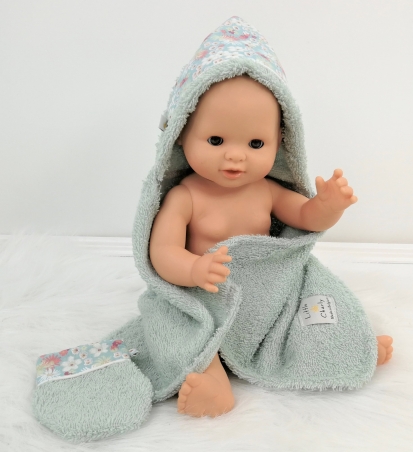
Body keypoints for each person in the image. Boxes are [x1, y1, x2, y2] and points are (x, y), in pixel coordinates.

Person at [149, 75, 393, 418]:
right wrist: (193, 269)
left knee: (314, 301)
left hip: (267, 294)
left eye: (255, 143)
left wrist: (328, 207)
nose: (236, 156)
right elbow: (162, 251)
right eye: (216, 140)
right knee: (182, 327)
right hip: (207, 293)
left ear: (279, 142)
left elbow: (306, 216)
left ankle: (351, 348)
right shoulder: (184, 196)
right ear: (181, 133)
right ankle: (214, 382)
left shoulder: (266, 190)